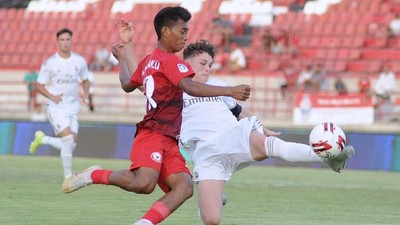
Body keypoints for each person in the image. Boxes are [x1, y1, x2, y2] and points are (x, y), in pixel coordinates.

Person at [61, 7, 251, 225]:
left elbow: (126, 84)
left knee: (184, 187)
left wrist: (123, 56)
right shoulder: (171, 61)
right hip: (152, 134)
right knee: (144, 184)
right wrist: (229, 90)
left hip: (169, 139)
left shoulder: (149, 60)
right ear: (166, 31)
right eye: (182, 31)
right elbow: (190, 87)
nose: (185, 36)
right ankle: (94, 175)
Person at [179, 40, 355, 225]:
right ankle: (209, 201)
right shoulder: (177, 91)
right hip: (205, 150)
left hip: (232, 136)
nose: (208, 68)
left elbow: (239, 111)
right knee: (211, 220)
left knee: (272, 146)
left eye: (210, 65)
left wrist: (260, 128)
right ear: (187, 64)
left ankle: (327, 158)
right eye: (203, 64)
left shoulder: (218, 85)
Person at [29, 28, 90, 181]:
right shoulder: (50, 63)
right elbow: (38, 85)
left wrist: (86, 96)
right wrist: (51, 96)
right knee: (68, 140)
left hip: (73, 107)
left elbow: (85, 80)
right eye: (62, 40)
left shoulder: (79, 61)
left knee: (71, 145)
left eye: (68, 39)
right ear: (57, 42)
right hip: (56, 108)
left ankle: (43, 139)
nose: (65, 43)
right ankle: (68, 178)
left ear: (71, 41)